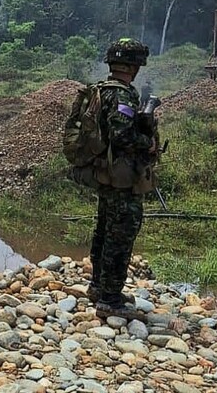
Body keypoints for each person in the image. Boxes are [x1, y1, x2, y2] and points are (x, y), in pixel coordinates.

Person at [84, 38, 158, 319]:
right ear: (133, 66)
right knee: (120, 235)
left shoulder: (100, 90)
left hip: (106, 174)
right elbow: (122, 135)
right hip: (121, 178)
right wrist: (147, 143)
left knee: (104, 228)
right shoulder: (123, 96)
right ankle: (110, 299)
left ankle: (98, 286)